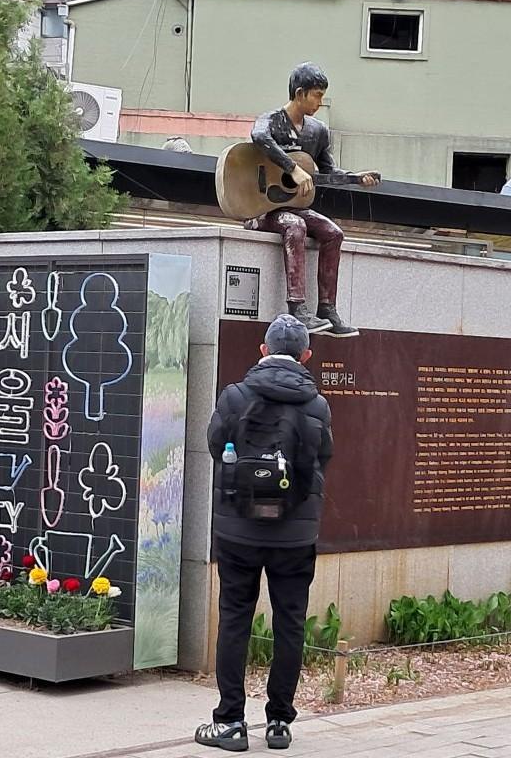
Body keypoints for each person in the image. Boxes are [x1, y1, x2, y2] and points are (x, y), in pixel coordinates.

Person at [196, 313, 333, 752]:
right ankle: (279, 724)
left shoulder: (235, 396)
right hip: (295, 533)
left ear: (263, 350)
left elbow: (216, 448)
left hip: (239, 529)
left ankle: (231, 722)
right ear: (306, 355)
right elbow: (323, 458)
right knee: (289, 622)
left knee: (235, 617)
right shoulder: (317, 405)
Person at [247, 62, 379, 338]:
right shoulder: (271, 121)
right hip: (262, 208)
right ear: (299, 93)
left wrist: (356, 178)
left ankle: (327, 309)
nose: (320, 101)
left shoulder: (317, 131)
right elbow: (258, 136)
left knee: (333, 233)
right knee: (295, 226)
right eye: (316, 95)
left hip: (295, 205)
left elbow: (328, 172)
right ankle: (297, 307)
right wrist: (291, 168)